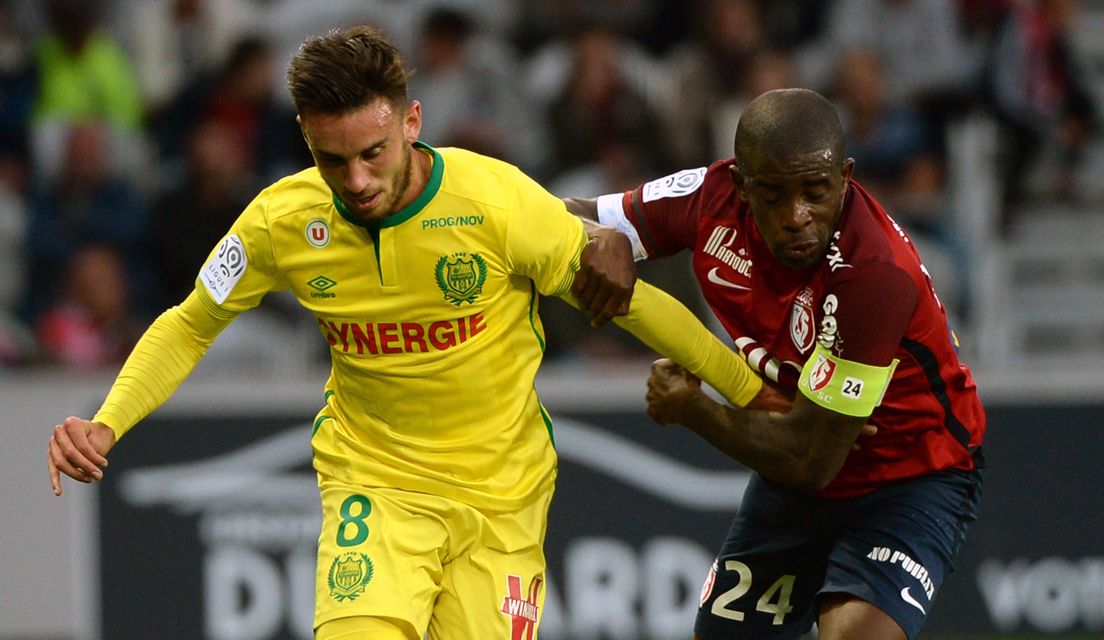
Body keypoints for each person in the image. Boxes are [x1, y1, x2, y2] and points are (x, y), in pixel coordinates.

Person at [45, 26, 769, 640]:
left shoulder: (495, 203)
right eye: (333, 160)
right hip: (375, 486)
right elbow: (190, 324)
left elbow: (631, 302)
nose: (357, 181)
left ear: (412, 122)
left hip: (501, 499)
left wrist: (747, 388)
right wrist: (109, 422)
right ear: (305, 138)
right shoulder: (282, 222)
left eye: (374, 153)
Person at [564, 88, 985, 640]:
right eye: (774, 195)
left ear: (845, 178)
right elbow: (566, 214)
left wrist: (692, 409)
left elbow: (811, 461)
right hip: (800, 467)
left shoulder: (873, 275)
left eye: (816, 192)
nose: (796, 217)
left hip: (910, 474)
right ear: (741, 184)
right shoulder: (709, 198)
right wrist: (602, 236)